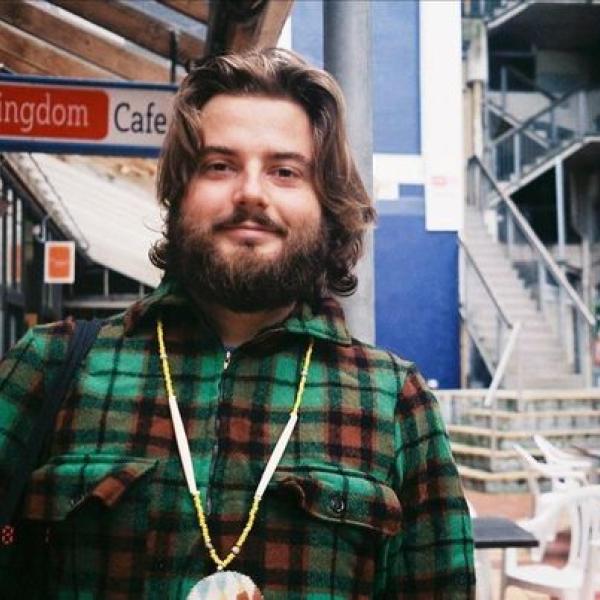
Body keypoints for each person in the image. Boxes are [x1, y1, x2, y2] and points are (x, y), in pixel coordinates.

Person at [0, 49, 475, 599]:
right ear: (179, 194)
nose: (251, 192)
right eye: (219, 166)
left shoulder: (395, 401)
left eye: (285, 171)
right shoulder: (48, 366)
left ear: (327, 204)